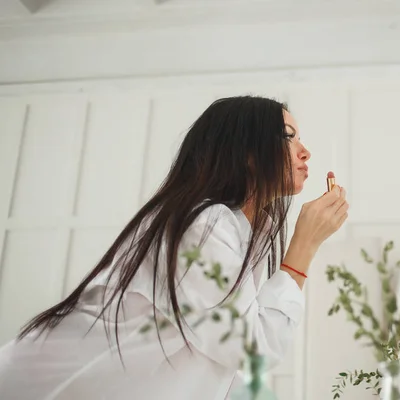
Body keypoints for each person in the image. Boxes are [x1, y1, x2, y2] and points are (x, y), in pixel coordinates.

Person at [0, 96, 349, 399]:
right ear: (247, 153)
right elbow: (248, 347)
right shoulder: (205, 224)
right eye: (289, 137)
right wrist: (304, 245)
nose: (306, 152)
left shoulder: (241, 232)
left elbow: (219, 363)